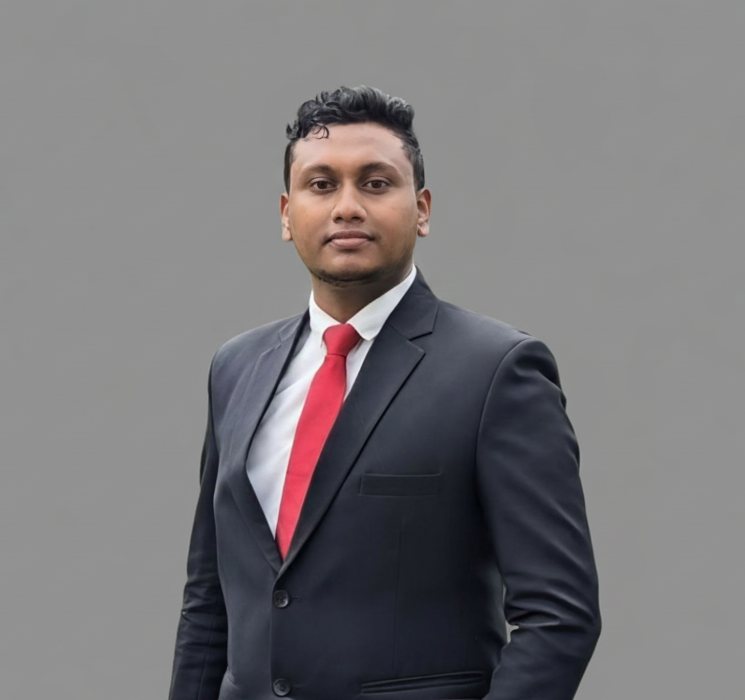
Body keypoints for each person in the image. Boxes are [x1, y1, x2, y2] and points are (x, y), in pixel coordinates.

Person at [168, 85, 601, 700]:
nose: (347, 206)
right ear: (286, 215)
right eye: (322, 184)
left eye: (375, 183)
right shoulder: (236, 367)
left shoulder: (497, 372)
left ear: (421, 209)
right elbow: (209, 601)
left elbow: (560, 616)